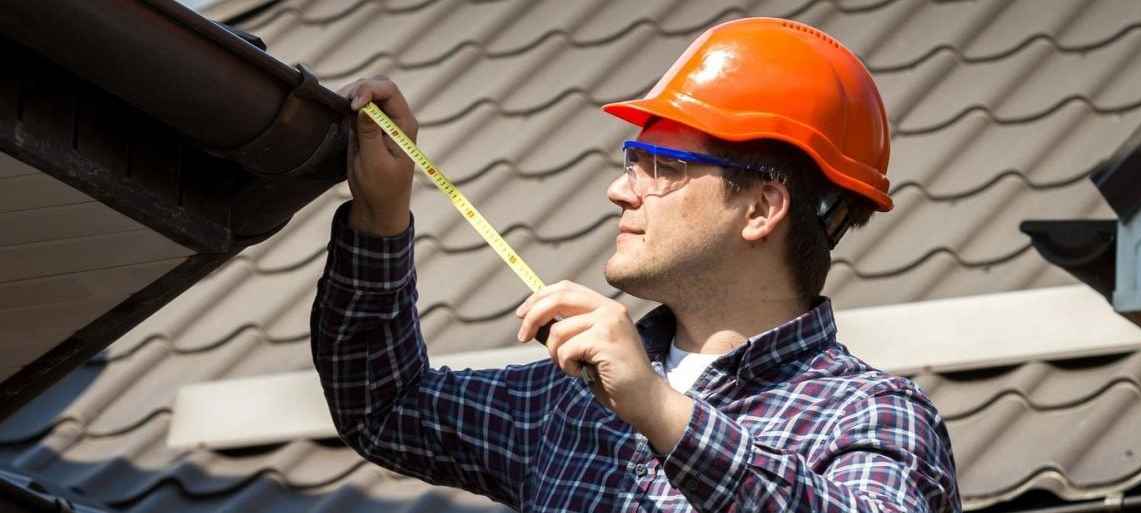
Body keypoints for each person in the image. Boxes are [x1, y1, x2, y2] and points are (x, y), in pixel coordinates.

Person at [312, 17, 960, 513]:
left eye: (664, 167)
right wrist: (381, 213)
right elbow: (384, 404)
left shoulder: (874, 415)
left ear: (762, 208)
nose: (622, 190)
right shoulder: (571, 398)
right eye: (633, 161)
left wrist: (661, 412)